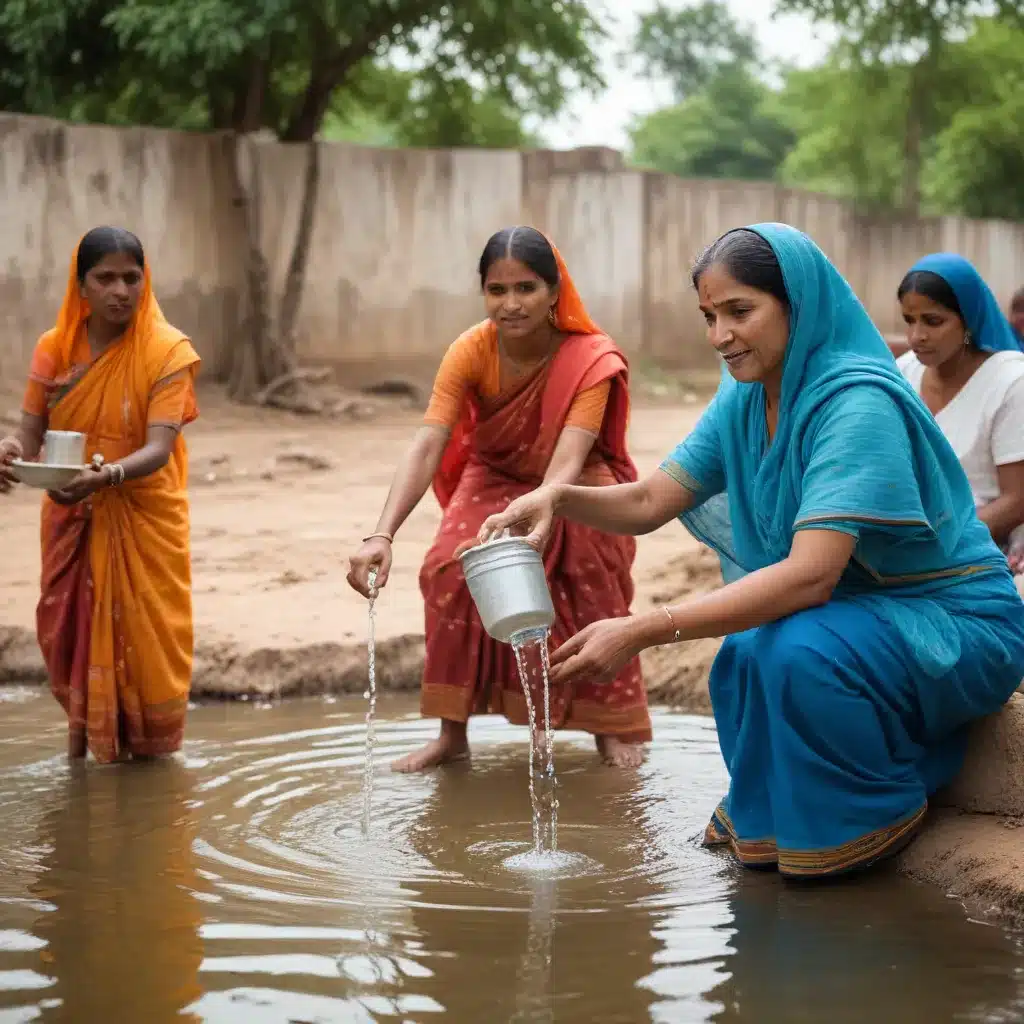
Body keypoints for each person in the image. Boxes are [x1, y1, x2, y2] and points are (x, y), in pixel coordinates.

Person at [473, 223, 1024, 878]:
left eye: (739, 311)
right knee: (742, 655)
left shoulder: (856, 403)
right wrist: (557, 498)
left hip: (955, 623)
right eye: (709, 316)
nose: (719, 336)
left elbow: (810, 578)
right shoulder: (745, 393)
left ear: (797, 303)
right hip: (861, 615)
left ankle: (870, 808)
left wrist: (643, 629)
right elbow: (652, 501)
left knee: (795, 653)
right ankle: (769, 816)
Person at [346, 226, 651, 772]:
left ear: (556, 291)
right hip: (495, 472)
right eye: (497, 290)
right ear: (483, 292)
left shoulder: (591, 358)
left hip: (576, 476)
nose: (511, 304)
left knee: (585, 564)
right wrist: (381, 533)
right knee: (447, 569)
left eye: (527, 288)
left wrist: (547, 507)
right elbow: (429, 441)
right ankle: (451, 734)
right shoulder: (471, 349)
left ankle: (609, 727)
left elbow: (570, 455)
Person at [0, 227, 200, 764]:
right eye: (105, 278)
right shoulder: (55, 348)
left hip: (143, 515)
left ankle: (148, 766)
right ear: (81, 286)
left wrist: (105, 476)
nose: (120, 290)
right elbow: (30, 434)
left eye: (132, 277)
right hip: (70, 513)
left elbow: (159, 447)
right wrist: (9, 452)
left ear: (145, 280)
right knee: (70, 630)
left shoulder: (167, 351)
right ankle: (79, 748)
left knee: (147, 641)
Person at [894, 256, 1024, 573]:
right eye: (909, 320)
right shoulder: (904, 372)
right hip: (906, 539)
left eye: (933, 321)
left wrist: (935, 544)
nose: (916, 336)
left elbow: (1017, 500)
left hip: (983, 546)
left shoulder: (1010, 382)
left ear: (968, 322)